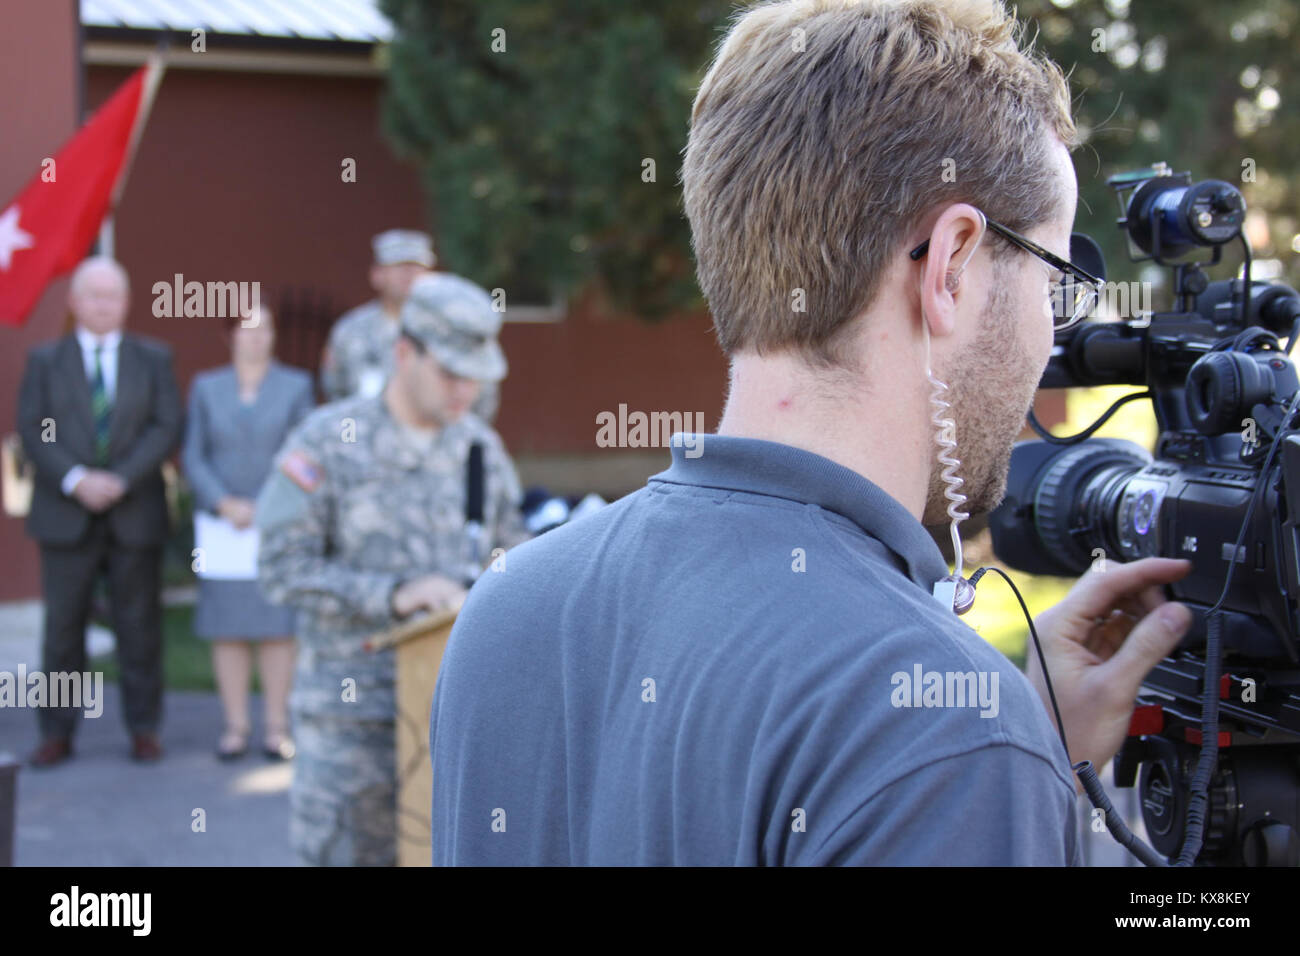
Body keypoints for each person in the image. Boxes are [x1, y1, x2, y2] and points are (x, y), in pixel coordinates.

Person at [429, 0, 1195, 865]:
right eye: (1055, 278)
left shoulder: (511, 602)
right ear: (950, 265)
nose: (1054, 333)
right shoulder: (944, 739)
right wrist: (997, 768)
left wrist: (1027, 765)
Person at [256, 271, 530, 866]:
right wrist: (394, 594)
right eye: (452, 373)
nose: (466, 392)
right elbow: (280, 566)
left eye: (476, 377)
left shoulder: (480, 450)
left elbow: (513, 556)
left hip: (449, 725)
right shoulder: (329, 441)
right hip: (348, 726)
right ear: (405, 352)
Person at [17, 256, 183, 766]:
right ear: (75, 301)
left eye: (112, 295)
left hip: (134, 512)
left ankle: (143, 728)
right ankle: (57, 733)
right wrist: (76, 479)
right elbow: (34, 429)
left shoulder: (153, 358)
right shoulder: (46, 361)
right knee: (63, 629)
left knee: (140, 626)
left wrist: (121, 478)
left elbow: (165, 425)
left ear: (126, 302)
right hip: (66, 516)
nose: (103, 304)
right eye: (94, 295)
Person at [181, 302, 315, 761]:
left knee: (278, 626)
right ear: (230, 335)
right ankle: (235, 726)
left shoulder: (296, 386)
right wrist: (224, 501)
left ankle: (277, 728)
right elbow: (193, 455)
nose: (257, 338)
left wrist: (268, 505)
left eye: (266, 329)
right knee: (229, 627)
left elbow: (304, 453)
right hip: (222, 526)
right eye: (248, 329)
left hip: (274, 523)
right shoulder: (206, 387)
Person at [320, 230, 500, 422]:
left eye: (417, 267)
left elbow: (483, 397)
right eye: (399, 266)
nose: (409, 274)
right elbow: (336, 393)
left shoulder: (457, 328)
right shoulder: (350, 331)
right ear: (377, 275)